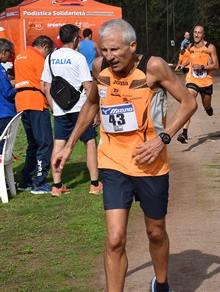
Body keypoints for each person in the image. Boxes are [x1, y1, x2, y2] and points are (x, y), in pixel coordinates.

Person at [51, 19, 197, 292]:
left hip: (150, 163)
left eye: (115, 50)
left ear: (133, 46)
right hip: (113, 163)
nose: (109, 57)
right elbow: (92, 104)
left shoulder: (153, 67)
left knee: (155, 232)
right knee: (115, 238)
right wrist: (68, 146)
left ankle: (162, 284)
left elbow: (189, 102)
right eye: (104, 50)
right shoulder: (99, 68)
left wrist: (162, 140)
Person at [40, 24, 102, 197]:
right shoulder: (78, 58)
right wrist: (95, 111)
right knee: (89, 142)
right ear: (75, 39)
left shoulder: (50, 58)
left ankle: (57, 186)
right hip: (81, 108)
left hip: (60, 109)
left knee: (59, 143)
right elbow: (88, 85)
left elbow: (46, 86)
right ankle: (94, 184)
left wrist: (54, 108)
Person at [14, 35, 54, 194]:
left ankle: (25, 180)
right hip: (36, 101)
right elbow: (44, 84)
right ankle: (39, 181)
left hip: (22, 102)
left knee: (33, 143)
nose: (48, 54)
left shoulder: (20, 56)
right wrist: (52, 106)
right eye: (49, 51)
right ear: (44, 46)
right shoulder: (38, 59)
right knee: (45, 142)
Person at [176, 25, 219, 144]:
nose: (196, 35)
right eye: (195, 32)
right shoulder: (190, 47)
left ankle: (208, 108)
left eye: (199, 33)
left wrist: (202, 67)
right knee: (189, 102)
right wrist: (184, 64)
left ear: (203, 35)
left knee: (206, 106)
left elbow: (216, 65)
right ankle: (184, 133)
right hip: (192, 80)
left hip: (206, 82)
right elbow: (192, 59)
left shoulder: (210, 47)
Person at [0, 38, 17, 151]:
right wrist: (19, 86)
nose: (10, 56)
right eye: (10, 53)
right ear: (3, 51)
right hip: (4, 113)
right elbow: (8, 93)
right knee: (3, 147)